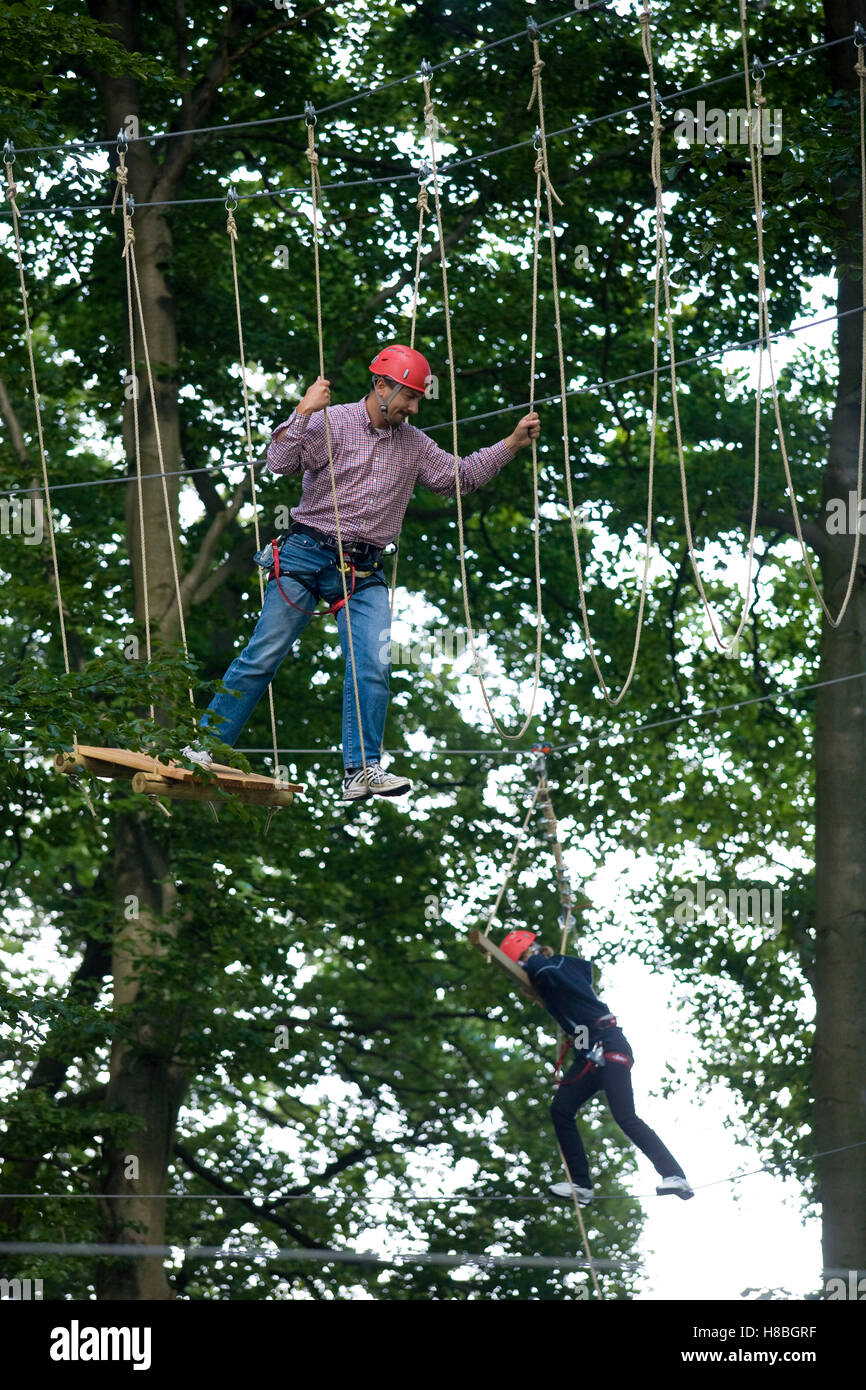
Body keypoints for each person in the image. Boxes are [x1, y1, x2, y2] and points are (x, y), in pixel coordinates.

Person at [184, 344, 540, 802]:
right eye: (408, 397)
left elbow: (457, 478)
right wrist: (302, 412)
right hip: (305, 556)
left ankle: (361, 769)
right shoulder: (332, 423)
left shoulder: (413, 445)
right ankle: (205, 748)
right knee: (264, 652)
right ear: (381, 386)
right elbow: (279, 465)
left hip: (363, 569)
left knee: (373, 663)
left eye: (417, 399)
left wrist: (511, 443)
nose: (413, 407)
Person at [500, 929, 694, 1205]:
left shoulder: (558, 966)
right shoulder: (553, 980)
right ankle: (581, 1185)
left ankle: (675, 1175)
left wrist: (528, 962)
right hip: (590, 1054)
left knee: (625, 1116)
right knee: (561, 1109)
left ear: (528, 954)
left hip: (609, 1044)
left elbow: (543, 971)